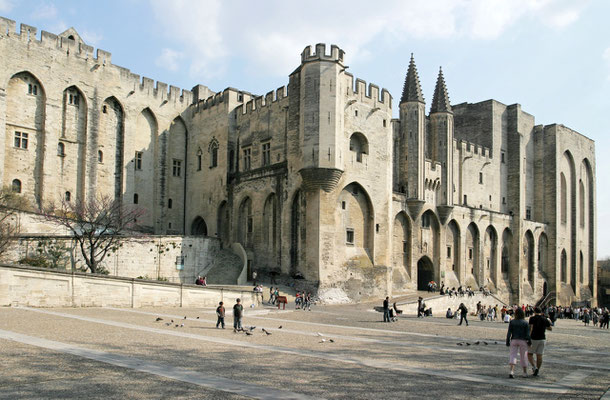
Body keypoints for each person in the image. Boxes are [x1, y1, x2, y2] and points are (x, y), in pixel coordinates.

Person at [506, 308, 531, 378]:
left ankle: (511, 371)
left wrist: (507, 341)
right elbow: (527, 334)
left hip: (514, 339)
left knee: (513, 355)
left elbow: (509, 333)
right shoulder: (525, 323)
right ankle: (524, 372)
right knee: (524, 356)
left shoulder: (512, 322)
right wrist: (529, 341)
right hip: (523, 340)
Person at [528, 306, 551, 376]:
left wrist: (528, 337)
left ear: (534, 312)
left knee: (529, 354)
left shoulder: (532, 318)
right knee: (539, 355)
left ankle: (534, 367)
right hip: (542, 338)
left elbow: (531, 328)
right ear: (541, 312)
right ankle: (538, 368)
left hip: (534, 338)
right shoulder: (544, 319)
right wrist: (544, 326)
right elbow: (550, 328)